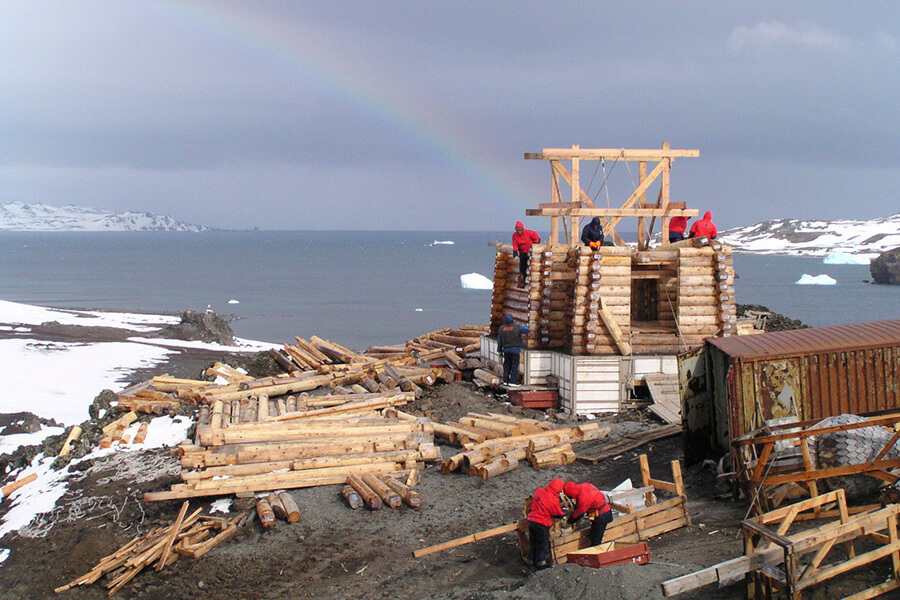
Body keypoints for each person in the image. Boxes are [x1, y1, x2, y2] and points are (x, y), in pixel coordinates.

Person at [527, 478, 566, 569]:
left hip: (531, 521)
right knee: (542, 544)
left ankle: (530, 560)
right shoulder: (552, 499)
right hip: (541, 523)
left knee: (533, 543)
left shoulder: (539, 491)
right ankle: (541, 564)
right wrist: (564, 513)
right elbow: (557, 513)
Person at [563, 481, 614, 547]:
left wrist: (570, 521)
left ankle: (596, 551)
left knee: (596, 538)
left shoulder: (584, 497)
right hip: (598, 511)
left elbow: (580, 513)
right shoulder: (585, 485)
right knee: (592, 533)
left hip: (602, 515)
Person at [497, 313, 529, 386]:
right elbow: (526, 331)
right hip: (515, 350)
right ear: (512, 320)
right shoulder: (517, 327)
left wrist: (499, 351)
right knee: (514, 366)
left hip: (506, 350)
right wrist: (526, 326)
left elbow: (499, 341)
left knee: (507, 365)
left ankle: (505, 381)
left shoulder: (501, 328)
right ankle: (512, 382)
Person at [512, 221, 541, 287]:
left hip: (531, 252)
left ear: (522, 228)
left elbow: (537, 238)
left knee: (532, 267)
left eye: (519, 229)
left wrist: (535, 245)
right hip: (523, 253)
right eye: (517, 230)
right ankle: (525, 281)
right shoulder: (515, 235)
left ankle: (533, 281)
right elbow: (515, 244)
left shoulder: (529, 233)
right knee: (522, 268)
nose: (519, 231)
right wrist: (515, 253)